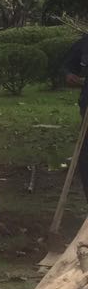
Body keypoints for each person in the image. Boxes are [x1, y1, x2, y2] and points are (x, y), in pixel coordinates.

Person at [65, 33, 88, 201]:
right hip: (87, 107)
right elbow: (68, 65)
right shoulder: (85, 43)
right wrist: (69, 74)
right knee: (85, 156)